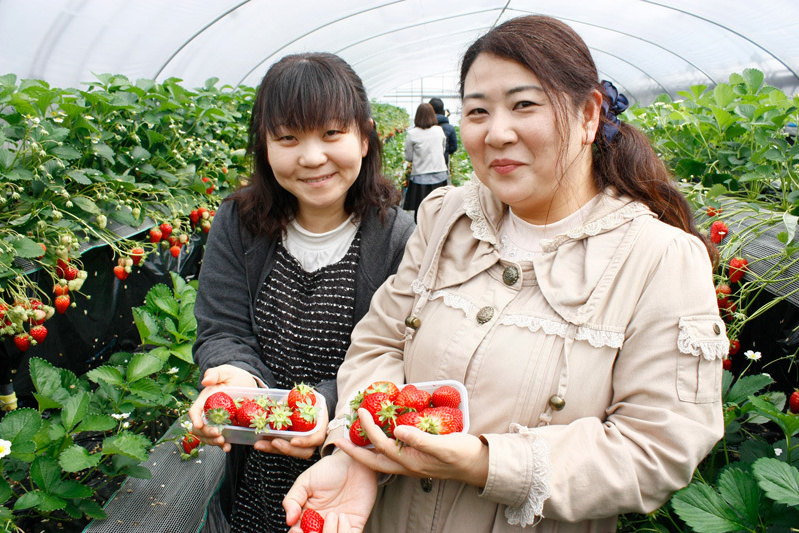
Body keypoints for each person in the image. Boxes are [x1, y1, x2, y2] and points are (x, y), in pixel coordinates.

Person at [283, 15, 727, 533]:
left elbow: (658, 447)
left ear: (588, 115)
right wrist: (359, 453)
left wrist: (486, 462)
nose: (496, 133)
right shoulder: (447, 217)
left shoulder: (657, 258)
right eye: (477, 111)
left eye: (524, 105)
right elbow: (382, 342)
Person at [188, 52, 415, 532]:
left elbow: (405, 356)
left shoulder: (401, 238)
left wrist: (324, 408)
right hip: (258, 465)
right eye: (288, 138)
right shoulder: (238, 224)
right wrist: (236, 378)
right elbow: (222, 327)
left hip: (361, 468)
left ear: (365, 135)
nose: (312, 157)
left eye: (331, 134)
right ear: (265, 146)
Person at [402, 102, 448, 220]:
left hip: (420, 177)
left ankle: (421, 234)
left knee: (421, 210)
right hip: (440, 174)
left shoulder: (412, 134)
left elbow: (408, 157)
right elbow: (442, 150)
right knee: (438, 208)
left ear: (417, 116)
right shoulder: (439, 131)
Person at [428, 97, 458, 166]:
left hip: (424, 167)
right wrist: (445, 151)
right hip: (442, 164)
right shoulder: (449, 128)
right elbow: (453, 148)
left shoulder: (422, 127)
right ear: (442, 110)